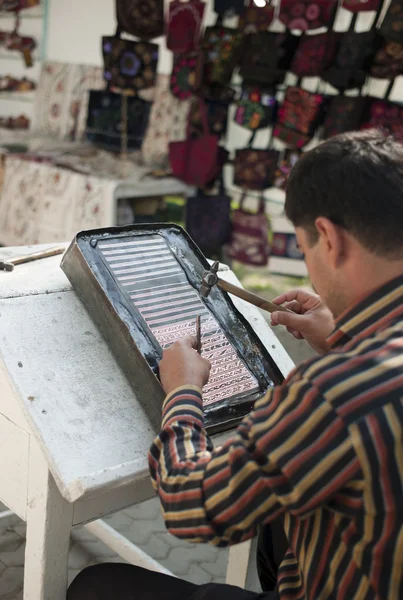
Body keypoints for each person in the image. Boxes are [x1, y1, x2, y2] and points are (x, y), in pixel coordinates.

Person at [67, 130, 403, 600]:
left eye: (305, 253)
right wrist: (343, 340)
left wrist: (183, 390)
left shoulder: (335, 392)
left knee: (95, 585)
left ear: (328, 238)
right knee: (276, 518)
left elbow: (194, 505)